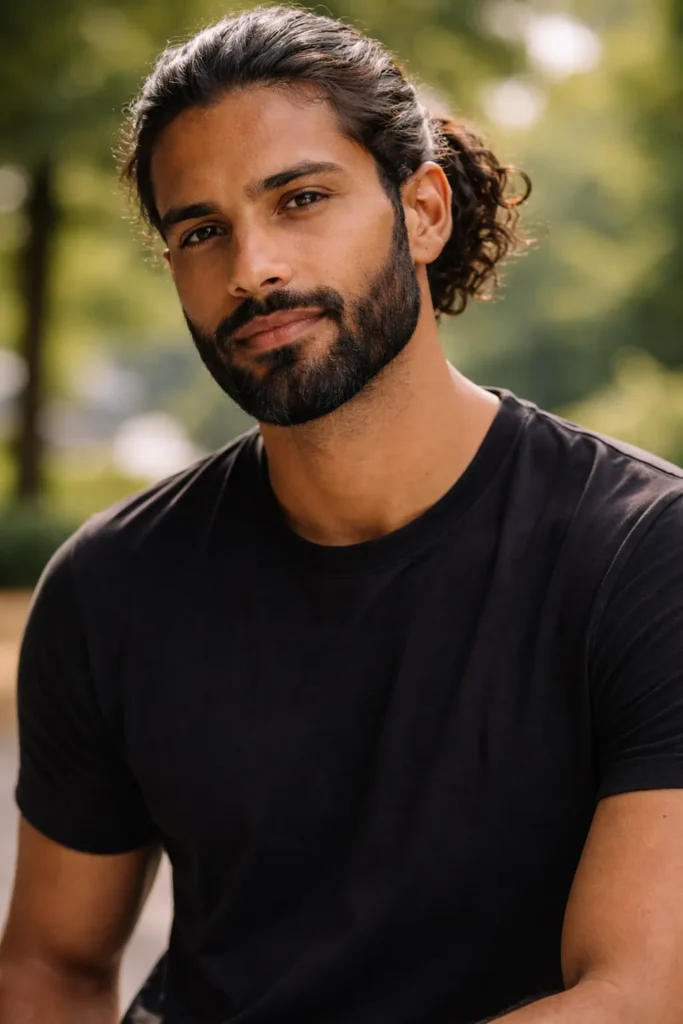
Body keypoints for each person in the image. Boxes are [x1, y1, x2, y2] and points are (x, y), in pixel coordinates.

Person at [2, 6, 683, 1023]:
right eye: (200, 230)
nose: (251, 267)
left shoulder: (641, 551)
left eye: (300, 198)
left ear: (422, 210)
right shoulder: (110, 587)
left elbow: (634, 993)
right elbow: (52, 965)